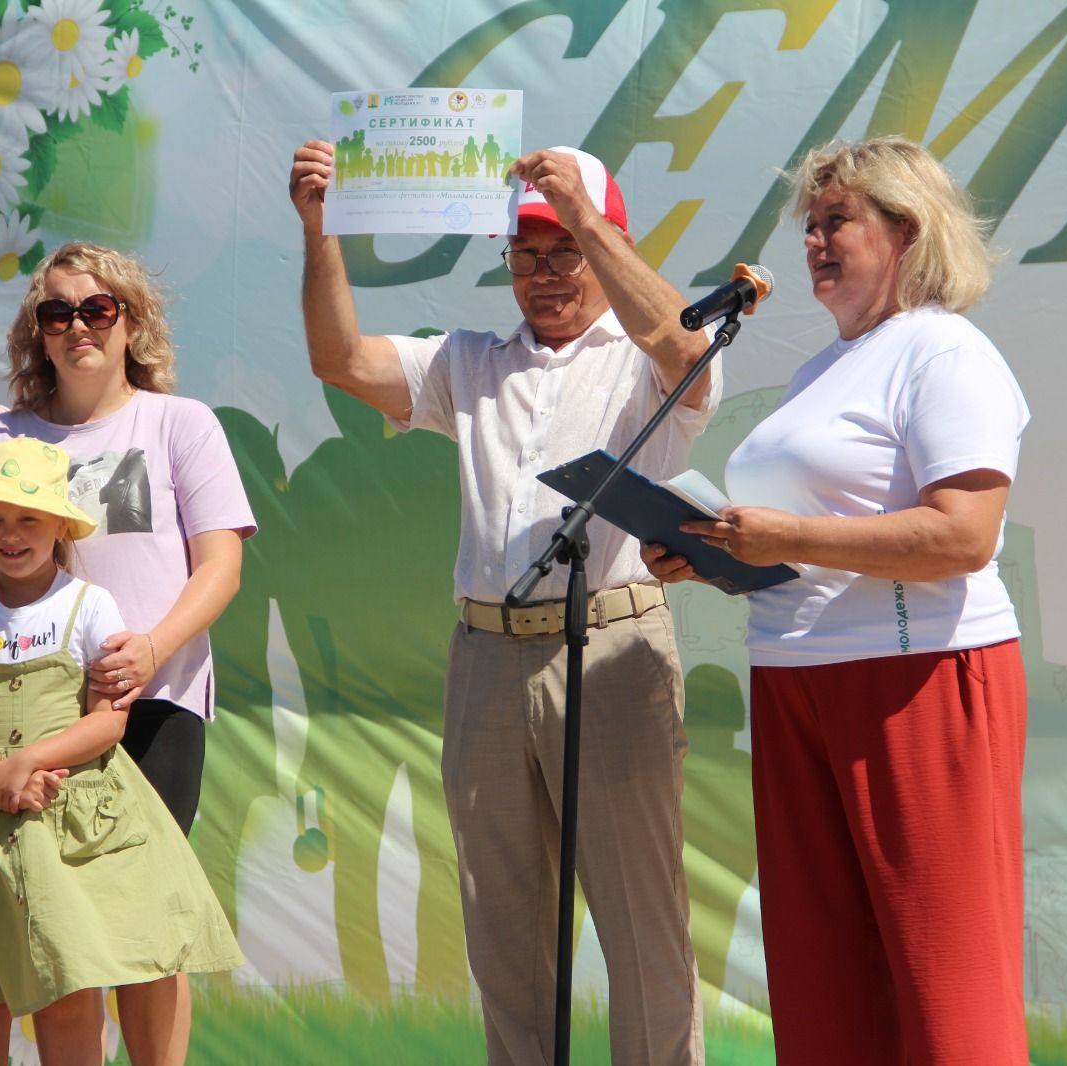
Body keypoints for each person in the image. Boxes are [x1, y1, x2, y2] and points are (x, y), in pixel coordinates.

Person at [289, 139, 721, 1065]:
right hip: (485, 655)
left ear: (605, 245)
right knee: (504, 931)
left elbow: (688, 346)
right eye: (525, 254)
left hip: (611, 648)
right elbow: (338, 358)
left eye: (562, 249)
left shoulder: (646, 358)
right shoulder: (470, 360)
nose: (544, 273)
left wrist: (585, 218)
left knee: (643, 926)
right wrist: (319, 232)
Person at [643, 135, 1031, 1065]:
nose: (814, 242)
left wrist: (788, 537)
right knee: (824, 987)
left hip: (916, 679)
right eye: (808, 226)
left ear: (905, 229)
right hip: (796, 682)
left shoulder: (945, 351)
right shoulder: (825, 370)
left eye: (836, 222)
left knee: (946, 985)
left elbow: (962, 536)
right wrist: (719, 554)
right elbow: (813, 534)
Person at [0, 242, 255, 1065]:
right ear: (38, 335)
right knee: (60, 931)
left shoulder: (179, 423)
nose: (77, 325)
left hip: (153, 703)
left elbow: (221, 564)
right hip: (29, 721)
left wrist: (154, 647)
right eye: (57, 313)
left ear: (132, 322)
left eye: (97, 309)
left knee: (146, 922)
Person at [0, 437, 243, 1065]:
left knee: (71, 985)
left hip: (72, 823)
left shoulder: (90, 604)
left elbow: (108, 724)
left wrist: (30, 765)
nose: (11, 534)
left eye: (29, 518)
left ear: (61, 525)